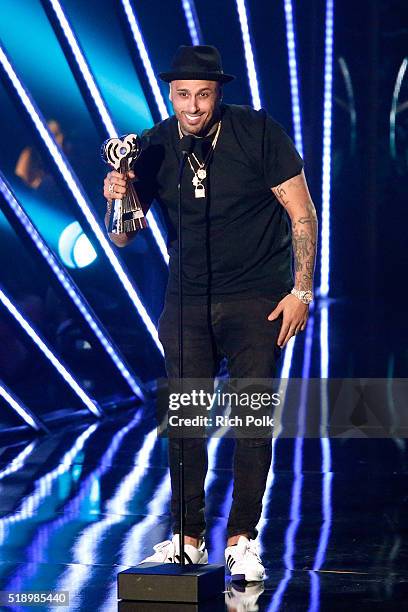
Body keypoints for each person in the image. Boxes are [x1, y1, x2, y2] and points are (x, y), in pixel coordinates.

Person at [103, 45, 318, 581]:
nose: (193, 106)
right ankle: (187, 536)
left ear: (218, 94)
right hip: (186, 299)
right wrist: (119, 194)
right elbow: (124, 237)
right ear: (171, 96)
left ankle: (243, 540)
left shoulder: (257, 132)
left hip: (256, 297)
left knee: (251, 419)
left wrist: (303, 291)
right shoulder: (152, 146)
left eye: (203, 95)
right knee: (185, 419)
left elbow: (302, 212)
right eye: (183, 96)